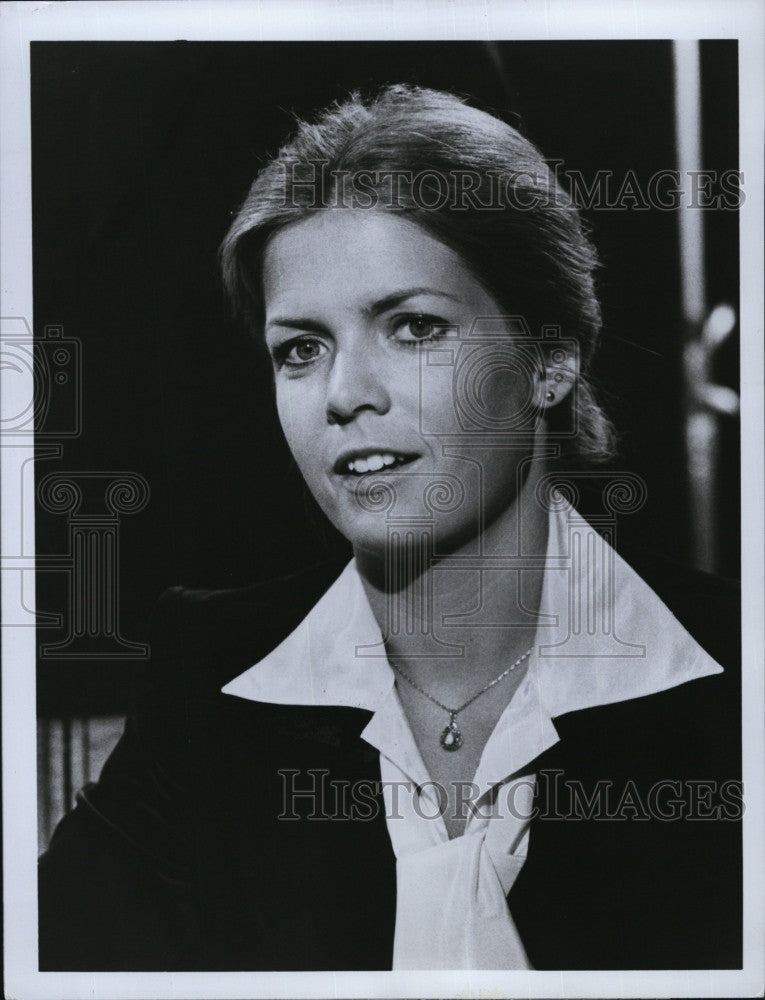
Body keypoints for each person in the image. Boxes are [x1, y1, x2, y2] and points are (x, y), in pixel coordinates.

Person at [38, 84, 742, 972]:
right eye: (301, 347)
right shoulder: (211, 678)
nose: (342, 394)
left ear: (550, 361)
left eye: (413, 327)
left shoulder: (733, 684)